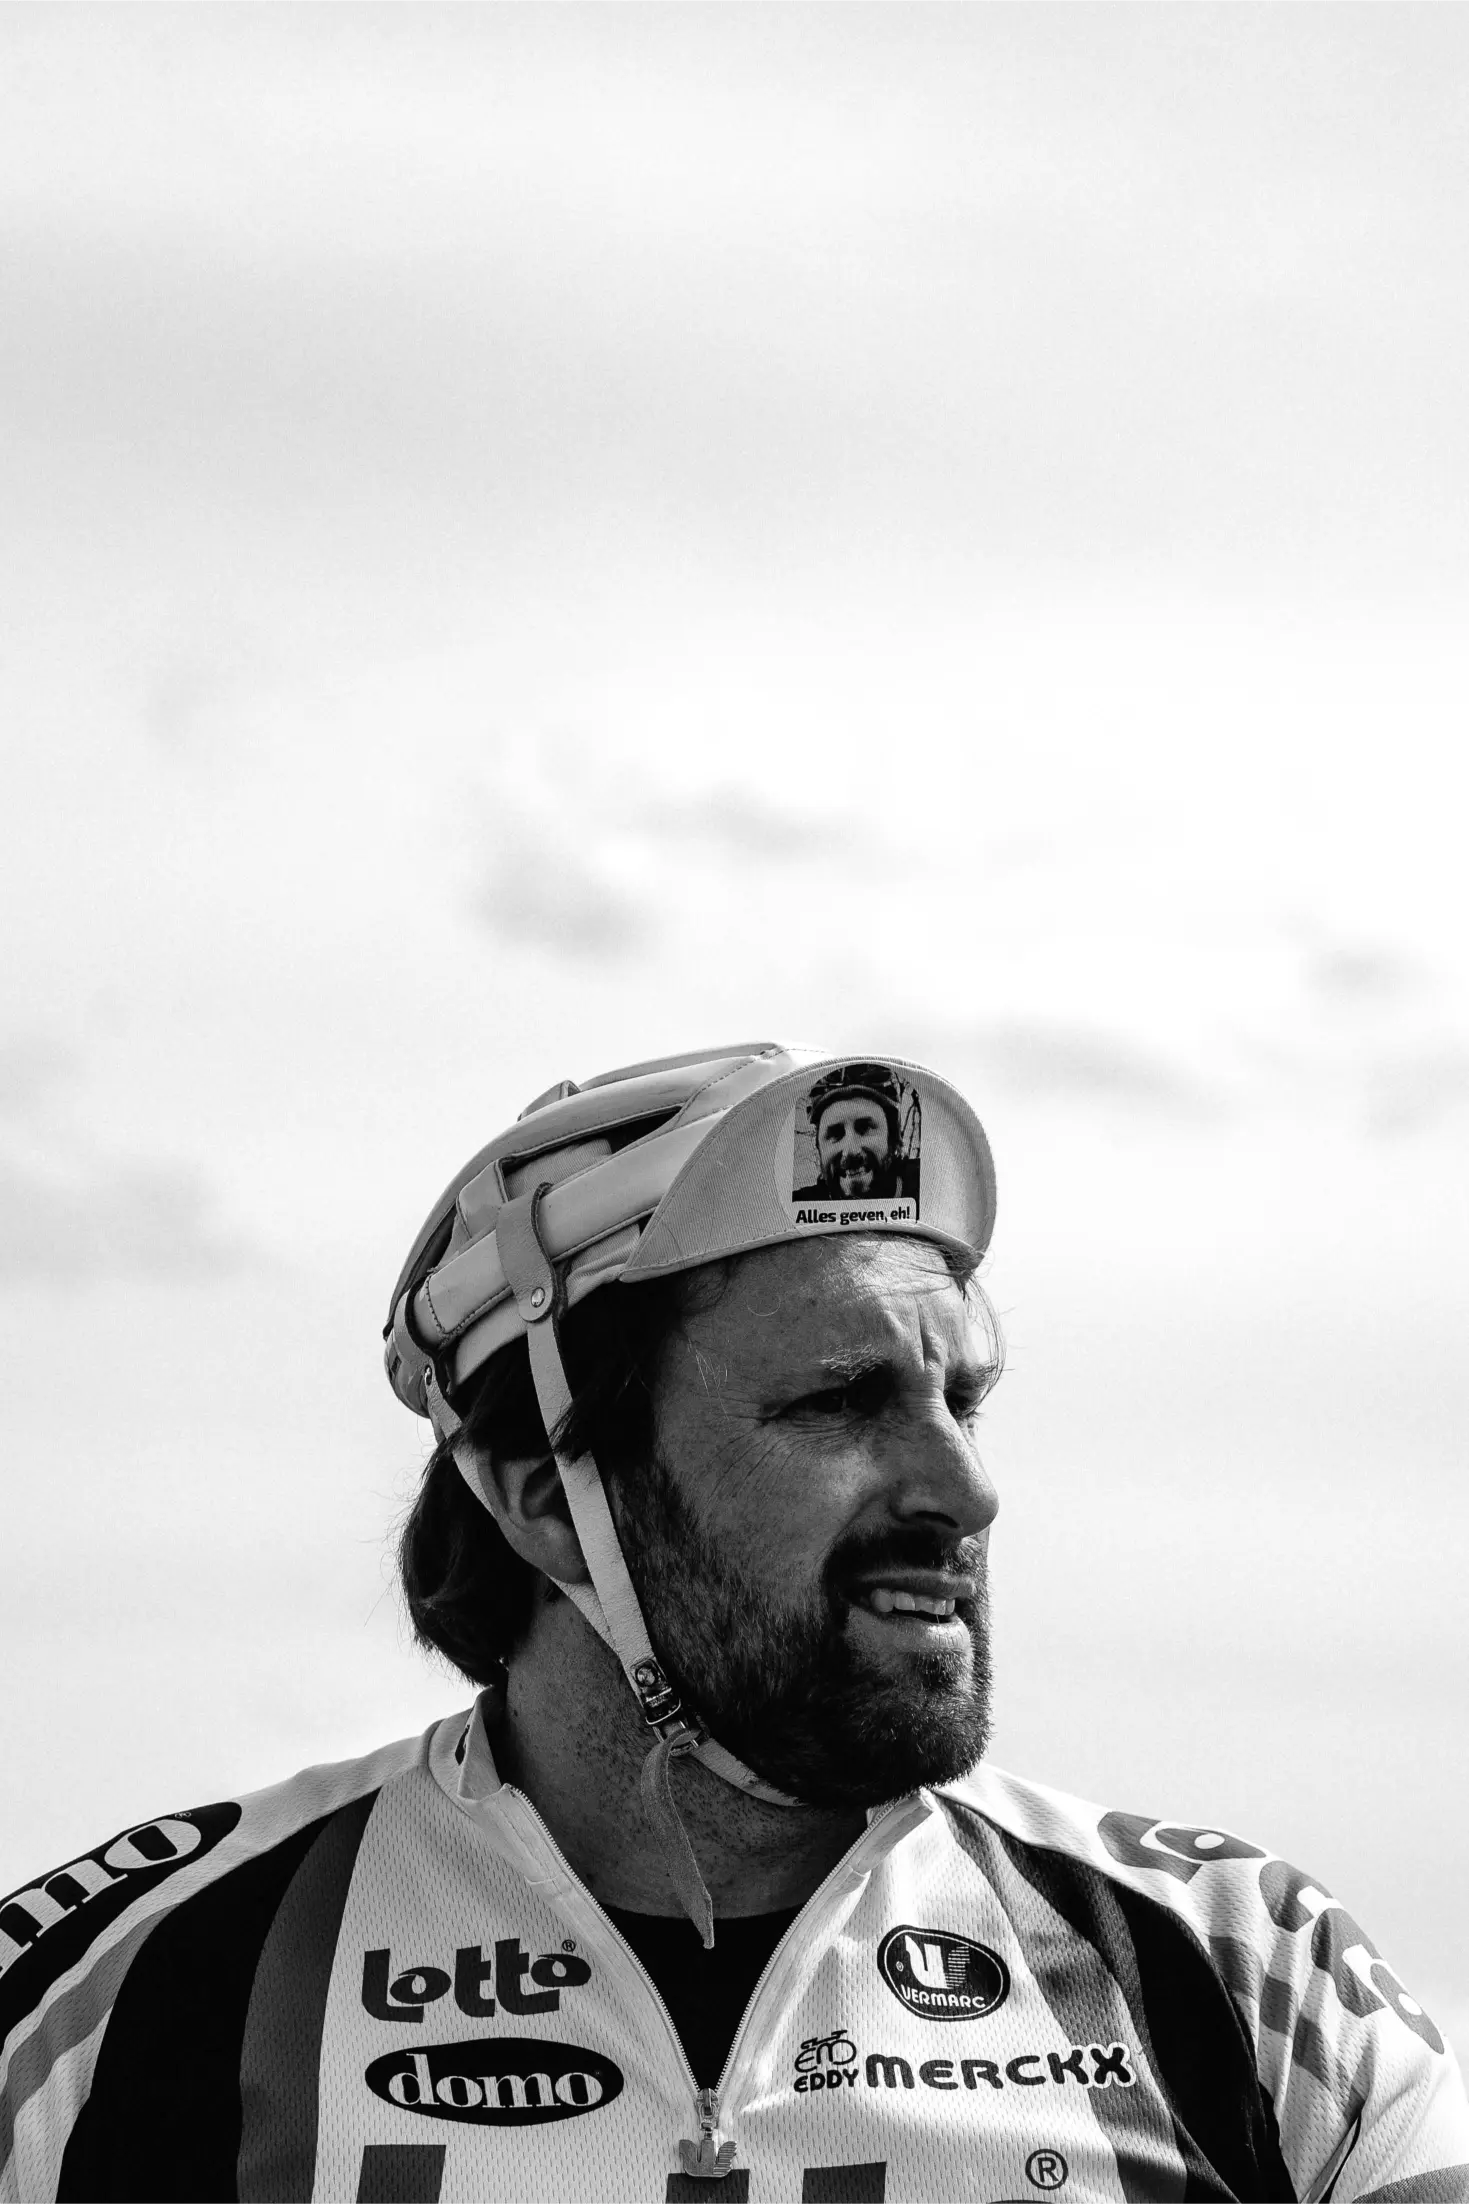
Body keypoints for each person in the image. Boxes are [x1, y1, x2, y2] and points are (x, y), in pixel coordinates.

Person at [1, 1041, 1464, 2204]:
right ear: (537, 1497)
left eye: (963, 1399)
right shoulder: (128, 1982)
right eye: (839, 1401)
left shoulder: (1241, 1970)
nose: (964, 1489)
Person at [792, 1061, 918, 1203]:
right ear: (819, 1147)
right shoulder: (800, 1205)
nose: (851, 1150)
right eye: (835, 1134)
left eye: (864, 1129)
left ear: (892, 1138)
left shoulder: (928, 1191)